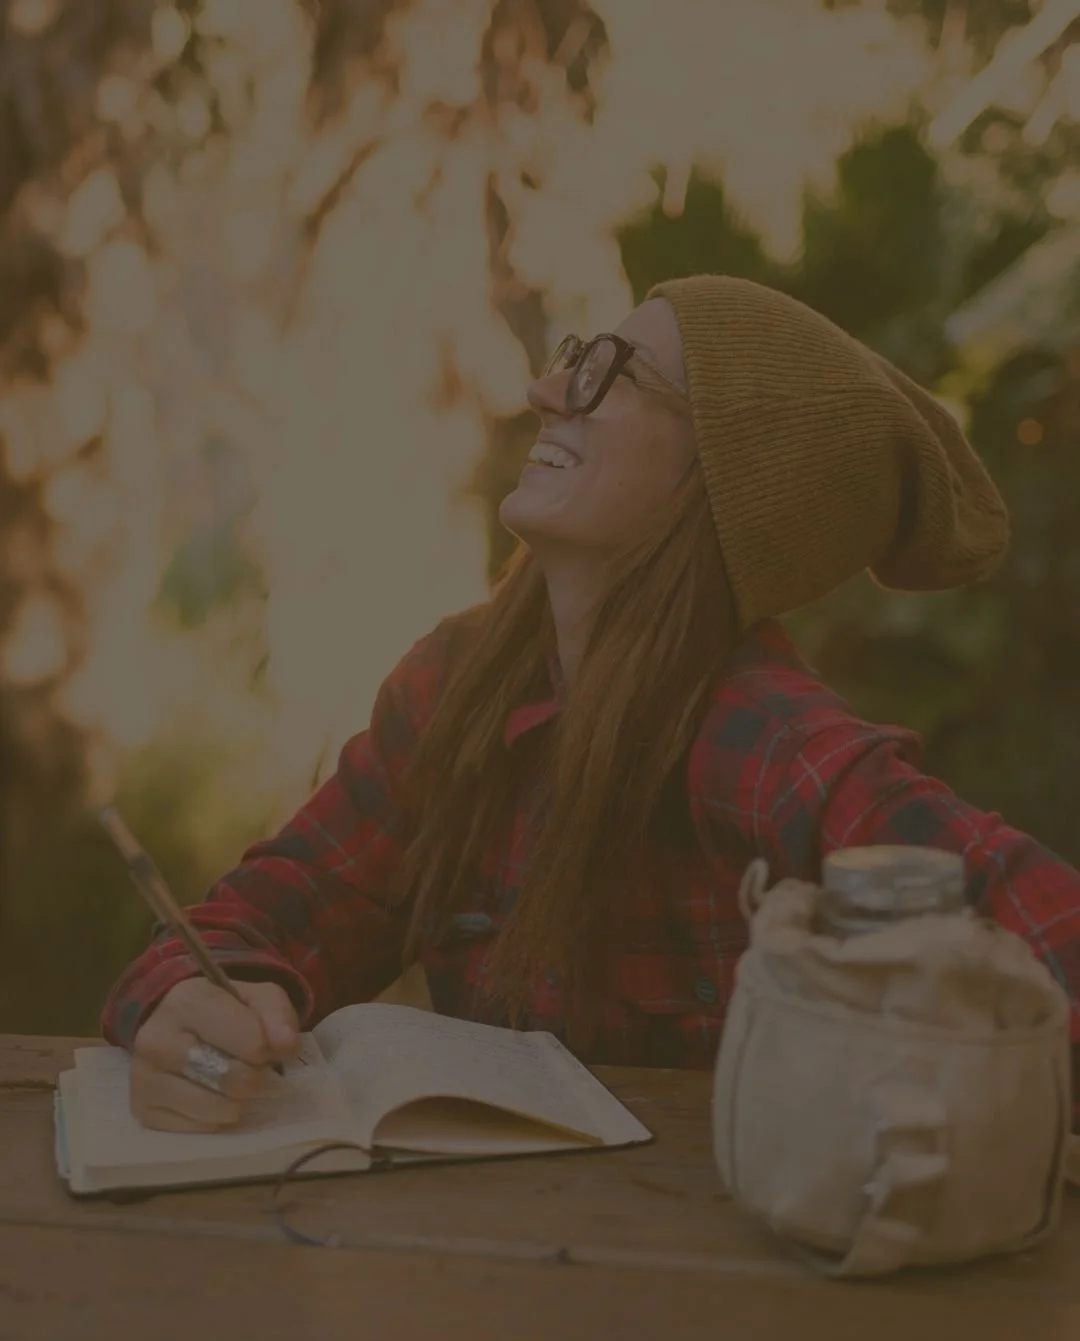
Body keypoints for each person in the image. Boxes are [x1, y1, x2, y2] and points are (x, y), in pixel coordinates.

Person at [102, 275, 1080, 1134]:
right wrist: (191, 1007)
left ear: (721, 485)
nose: (543, 389)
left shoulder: (775, 750)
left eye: (613, 372)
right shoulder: (458, 684)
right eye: (580, 354)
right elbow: (268, 916)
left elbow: (1051, 952)